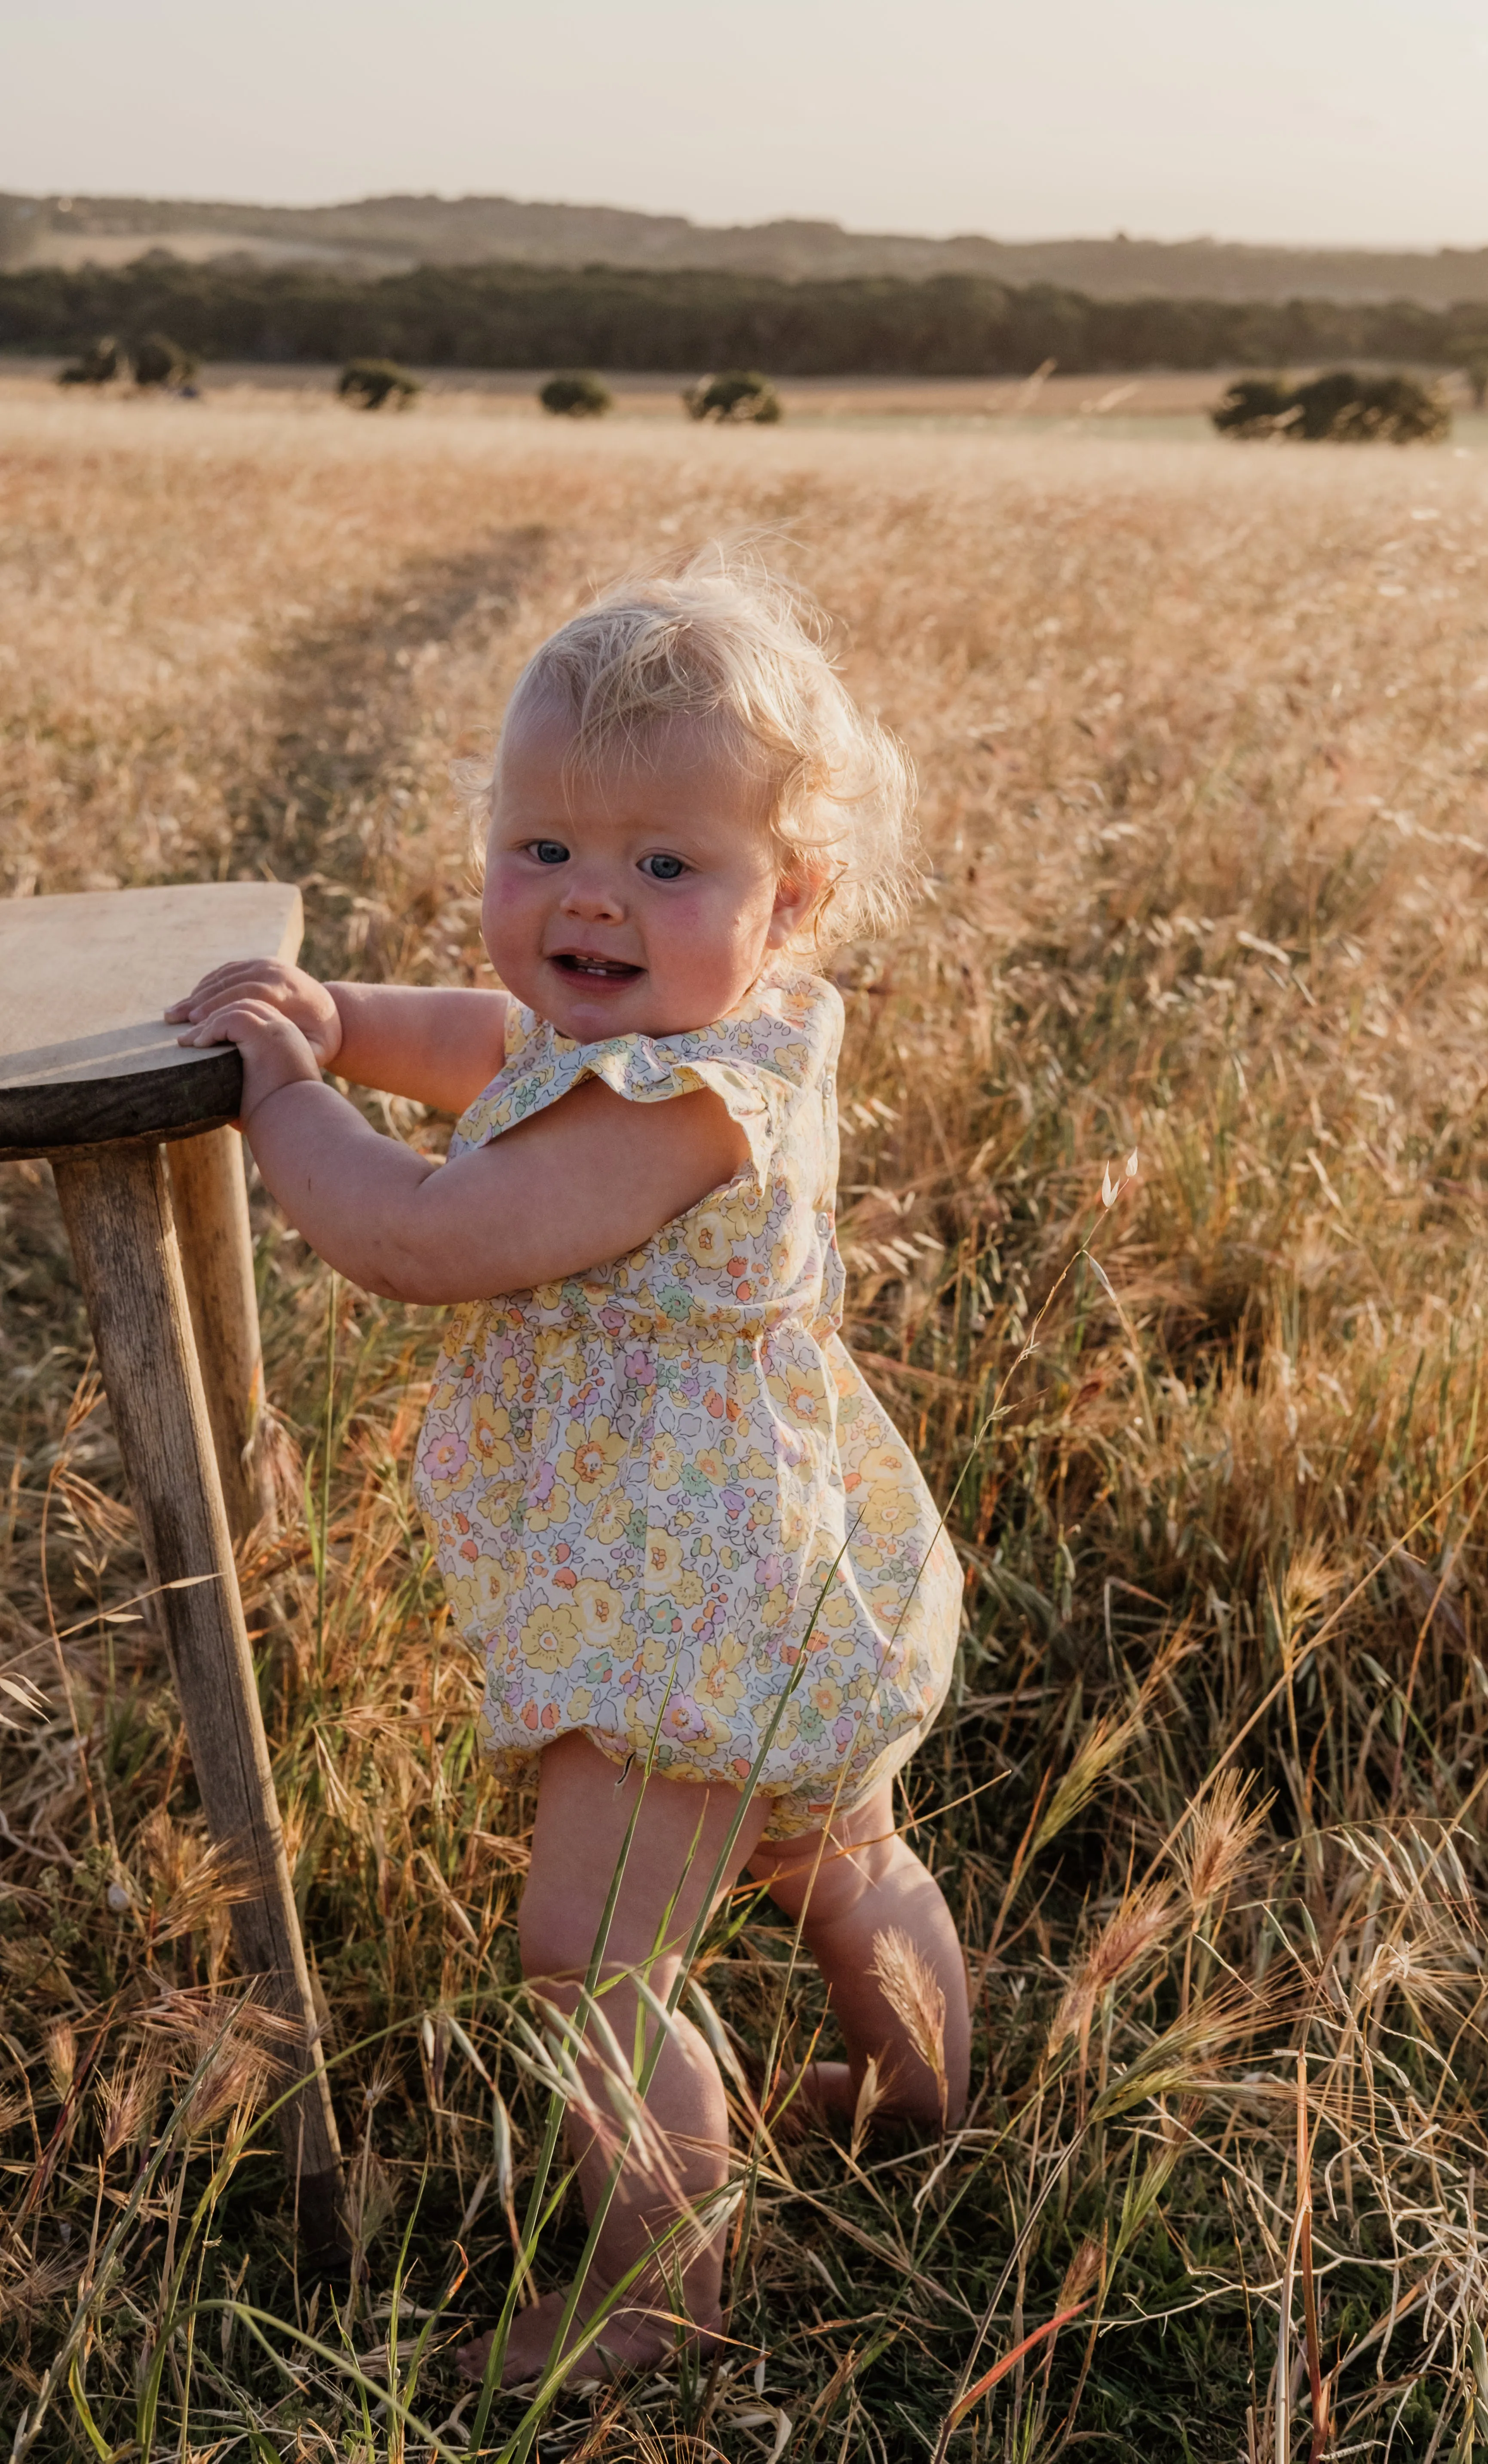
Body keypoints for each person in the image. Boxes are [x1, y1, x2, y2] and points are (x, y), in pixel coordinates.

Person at [167, 556, 967, 2383]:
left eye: (666, 864)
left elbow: (434, 1233)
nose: (591, 895)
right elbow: (488, 1044)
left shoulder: (684, 1105)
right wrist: (346, 1019)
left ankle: (655, 2292)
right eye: (543, 849)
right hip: (770, 1554)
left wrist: (291, 1099)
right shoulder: (672, 1024)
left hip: (682, 1586)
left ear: (795, 901)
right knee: (834, 1848)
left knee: (592, 1952)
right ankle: (923, 2096)